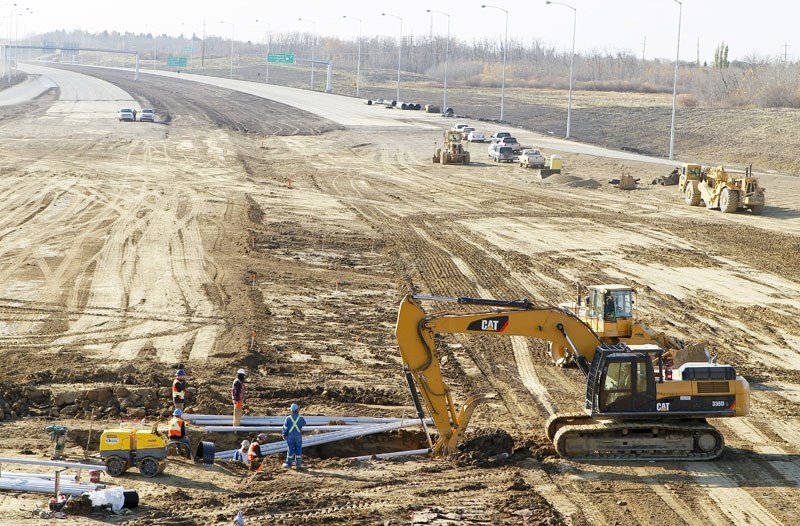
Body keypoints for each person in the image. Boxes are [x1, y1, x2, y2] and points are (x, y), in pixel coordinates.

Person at [282, 403, 307, 470]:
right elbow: (304, 423)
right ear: (297, 410)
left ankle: (289, 464)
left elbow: (285, 428)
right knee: (298, 449)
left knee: (290, 449)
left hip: (290, 436)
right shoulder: (300, 418)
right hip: (298, 436)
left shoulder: (288, 419)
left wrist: (284, 435)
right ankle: (298, 465)